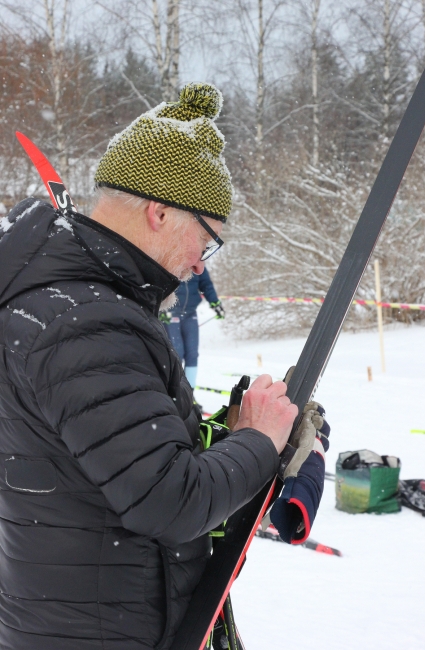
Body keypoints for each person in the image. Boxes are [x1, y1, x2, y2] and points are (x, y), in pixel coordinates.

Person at [0, 83, 300, 649]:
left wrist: (227, 433)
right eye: (207, 240)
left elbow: (116, 464)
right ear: (160, 212)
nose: (201, 261)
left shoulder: (73, 301)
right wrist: (259, 440)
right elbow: (171, 500)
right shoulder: (84, 319)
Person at [162, 266, 224, 393]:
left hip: (190, 314)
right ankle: (174, 392)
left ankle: (189, 394)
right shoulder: (173, 258)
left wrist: (215, 303)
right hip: (170, 314)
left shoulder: (196, 262)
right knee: (176, 354)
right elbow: (158, 282)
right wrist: (160, 306)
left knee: (192, 354)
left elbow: (206, 284)